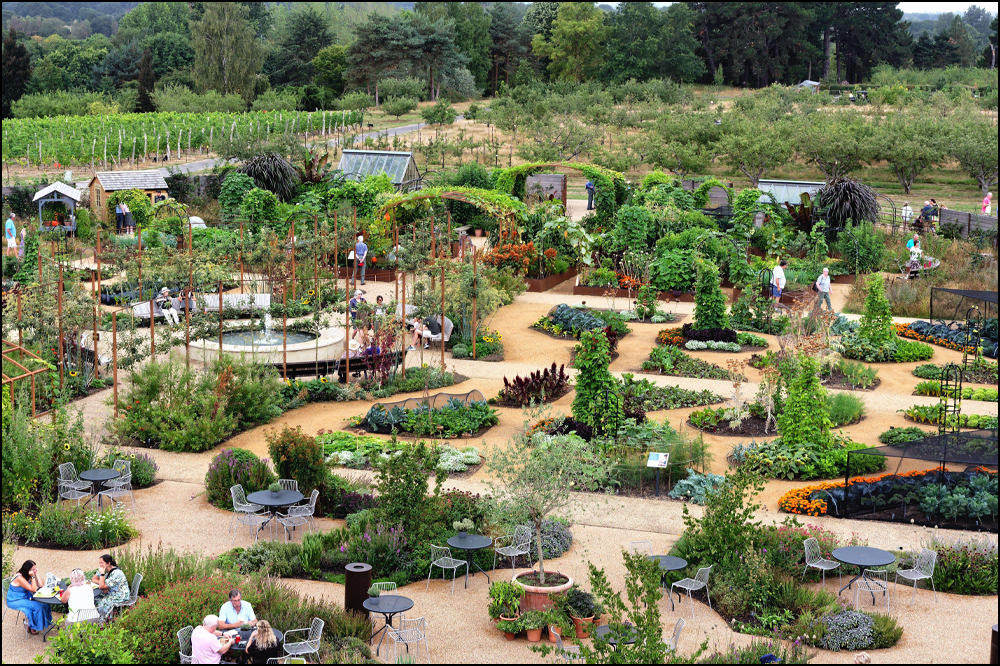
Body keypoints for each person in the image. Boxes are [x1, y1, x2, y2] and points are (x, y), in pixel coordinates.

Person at [6, 560, 53, 635]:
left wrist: (36, 574)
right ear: (27, 570)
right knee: (37, 606)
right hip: (15, 600)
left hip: (25, 597)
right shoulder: (19, 577)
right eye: (33, 569)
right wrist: (33, 576)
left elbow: (41, 585)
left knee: (44, 603)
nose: (35, 570)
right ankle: (32, 626)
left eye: (35, 568)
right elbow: (33, 589)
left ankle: (34, 623)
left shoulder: (28, 575)